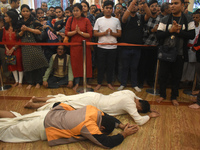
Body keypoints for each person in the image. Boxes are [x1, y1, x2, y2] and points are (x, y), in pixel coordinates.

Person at [0, 103, 139, 149]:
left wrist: (120, 125)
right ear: (101, 128)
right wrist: (124, 134)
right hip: (43, 127)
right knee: (7, 131)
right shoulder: (89, 127)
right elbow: (107, 143)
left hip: (47, 114)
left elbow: (107, 117)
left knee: (16, 118)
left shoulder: (94, 110)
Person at [24, 90, 160, 126]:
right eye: (138, 110)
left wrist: (148, 109)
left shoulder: (131, 94)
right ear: (138, 107)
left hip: (94, 96)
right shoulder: (130, 104)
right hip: (93, 104)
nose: (135, 111)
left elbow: (138, 101)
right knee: (64, 105)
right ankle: (33, 105)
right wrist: (149, 116)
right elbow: (139, 121)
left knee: (65, 98)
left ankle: (36, 99)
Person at [156, 0, 195, 106]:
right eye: (171, 3)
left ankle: (174, 96)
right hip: (165, 52)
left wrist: (178, 31)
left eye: (175, 3)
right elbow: (158, 35)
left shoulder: (188, 19)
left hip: (180, 53)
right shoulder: (164, 19)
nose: (172, 6)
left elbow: (192, 35)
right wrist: (170, 30)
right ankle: (162, 95)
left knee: (176, 76)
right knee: (163, 75)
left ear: (182, 5)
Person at [118, 0, 151, 92]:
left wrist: (144, 3)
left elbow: (149, 14)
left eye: (136, 5)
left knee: (134, 67)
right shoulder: (125, 17)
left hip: (137, 48)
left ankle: (134, 84)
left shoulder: (140, 17)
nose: (134, 6)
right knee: (125, 67)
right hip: (125, 47)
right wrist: (133, 2)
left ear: (138, 7)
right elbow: (124, 18)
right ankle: (123, 83)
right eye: (132, 5)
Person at [17, 4, 48, 89]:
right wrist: (22, 31)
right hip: (25, 46)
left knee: (37, 64)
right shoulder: (19, 22)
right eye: (23, 11)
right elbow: (17, 35)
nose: (25, 13)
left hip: (34, 44)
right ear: (21, 12)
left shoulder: (34, 20)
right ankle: (30, 82)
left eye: (27, 11)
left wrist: (28, 29)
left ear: (30, 12)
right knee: (28, 65)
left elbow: (39, 32)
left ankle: (38, 82)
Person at [94, 0, 121, 91]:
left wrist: (112, 33)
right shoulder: (99, 20)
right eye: (107, 8)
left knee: (111, 66)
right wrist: (104, 33)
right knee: (100, 66)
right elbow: (95, 33)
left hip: (113, 47)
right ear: (103, 9)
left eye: (110, 8)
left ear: (112, 9)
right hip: (101, 47)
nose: (109, 10)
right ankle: (99, 83)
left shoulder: (116, 20)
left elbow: (119, 34)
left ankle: (109, 82)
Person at [65, 3, 93, 91]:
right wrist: (75, 32)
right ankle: (76, 83)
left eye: (77, 10)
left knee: (86, 63)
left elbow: (90, 35)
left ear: (81, 11)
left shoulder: (86, 20)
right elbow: (67, 33)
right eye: (74, 11)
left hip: (85, 46)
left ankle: (86, 82)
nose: (75, 12)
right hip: (74, 46)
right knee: (75, 64)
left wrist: (80, 32)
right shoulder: (70, 19)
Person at [138, 0, 161, 88]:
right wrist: (152, 31)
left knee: (152, 66)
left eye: (156, 6)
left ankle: (150, 81)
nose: (154, 8)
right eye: (152, 6)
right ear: (149, 8)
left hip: (155, 46)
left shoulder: (161, 19)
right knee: (142, 65)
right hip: (145, 45)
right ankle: (140, 82)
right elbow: (142, 32)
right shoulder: (145, 18)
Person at [3, 10, 23, 87]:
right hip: (8, 49)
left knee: (19, 64)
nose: (4, 18)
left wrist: (13, 48)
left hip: (17, 49)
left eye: (6, 16)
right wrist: (7, 49)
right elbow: (3, 39)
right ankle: (16, 81)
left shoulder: (17, 28)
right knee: (11, 65)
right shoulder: (5, 28)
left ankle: (20, 82)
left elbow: (19, 40)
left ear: (11, 18)